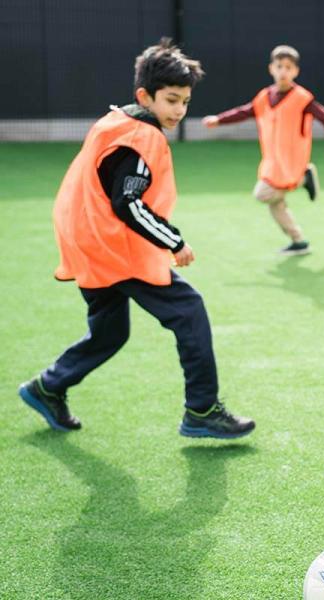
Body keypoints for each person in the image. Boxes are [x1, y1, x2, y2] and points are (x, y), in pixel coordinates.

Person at [17, 39, 255, 439]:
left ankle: (48, 386)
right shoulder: (142, 137)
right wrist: (174, 241)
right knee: (189, 310)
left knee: (110, 332)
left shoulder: (116, 121)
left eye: (185, 101)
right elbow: (128, 202)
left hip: (86, 240)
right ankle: (202, 409)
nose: (179, 110)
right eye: (171, 100)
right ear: (145, 96)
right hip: (111, 244)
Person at [202, 44, 324, 255]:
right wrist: (218, 120)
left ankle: (303, 178)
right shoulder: (264, 97)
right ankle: (298, 240)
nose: (283, 71)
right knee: (276, 204)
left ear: (295, 72)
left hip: (292, 162)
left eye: (288, 67)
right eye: (279, 66)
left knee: (262, 194)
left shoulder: (302, 98)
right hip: (273, 161)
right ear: (271, 68)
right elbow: (244, 111)